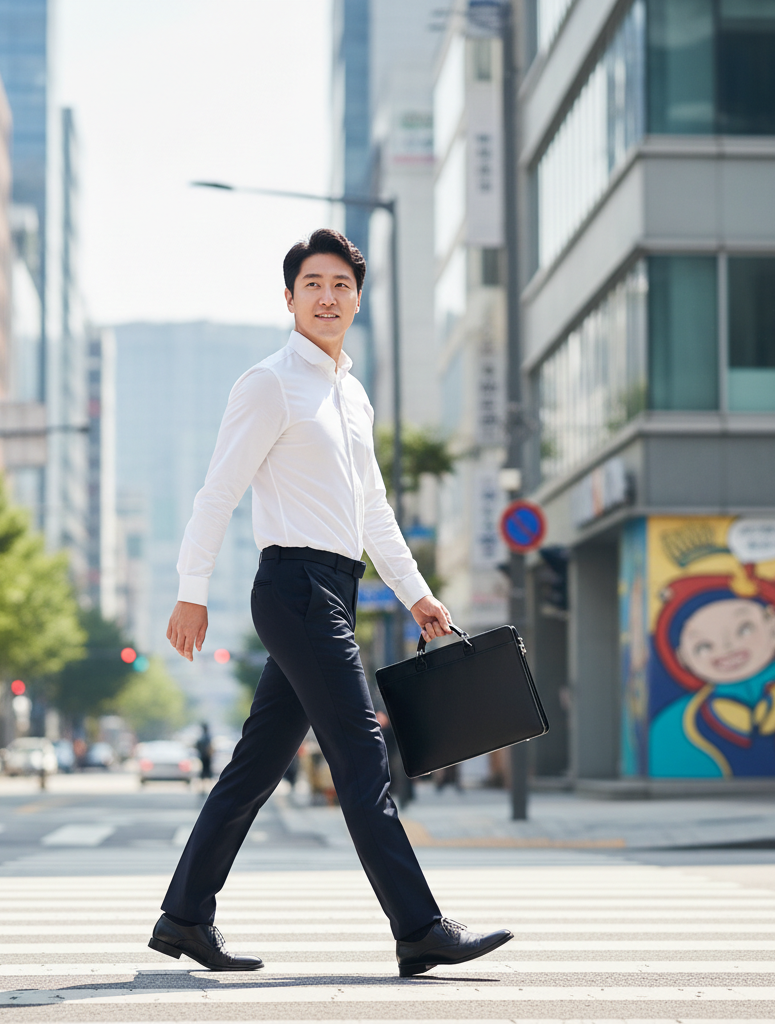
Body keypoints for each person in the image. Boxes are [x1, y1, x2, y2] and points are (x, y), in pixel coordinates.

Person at [150, 229, 513, 978]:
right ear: (288, 299)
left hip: (335, 591)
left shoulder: (351, 393)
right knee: (362, 757)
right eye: (312, 284)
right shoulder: (269, 383)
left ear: (356, 297)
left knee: (255, 768)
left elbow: (373, 508)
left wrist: (417, 595)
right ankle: (418, 926)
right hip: (294, 588)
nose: (328, 296)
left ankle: (185, 916)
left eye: (341, 285)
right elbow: (218, 490)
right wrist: (191, 591)